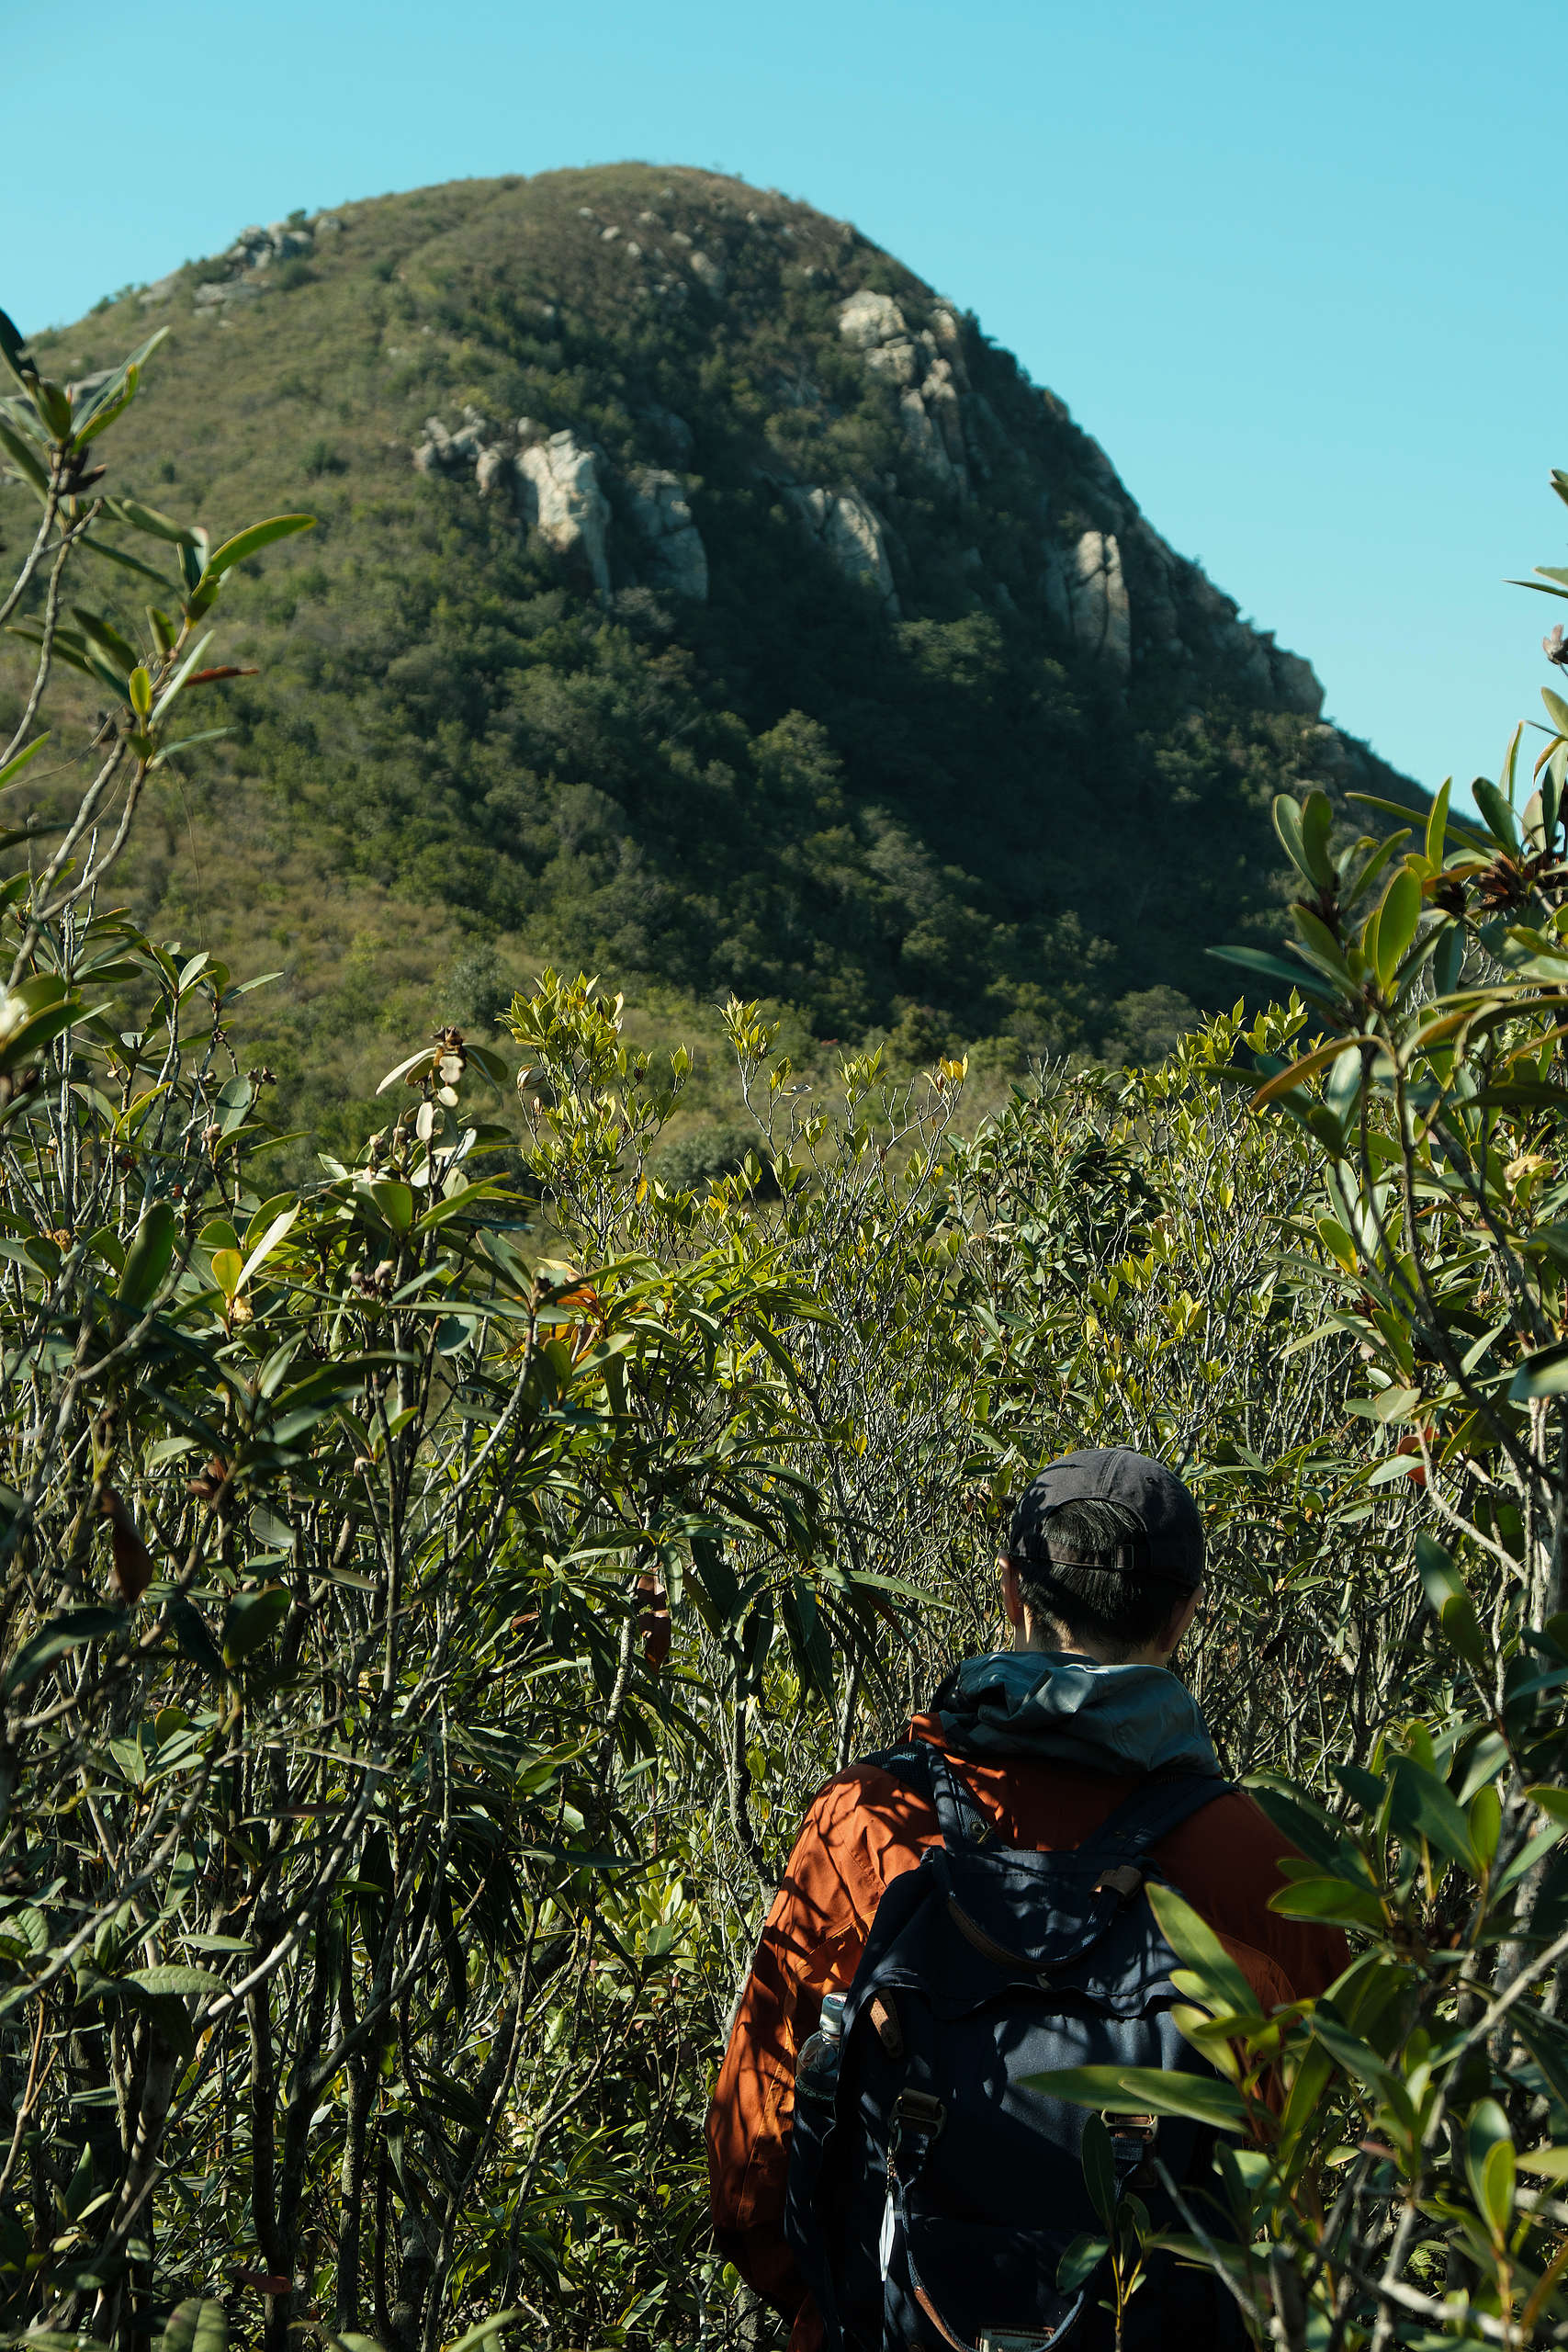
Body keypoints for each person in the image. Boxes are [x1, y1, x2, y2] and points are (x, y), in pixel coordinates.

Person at [705, 1446, 1349, 2350]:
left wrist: (864, 2307)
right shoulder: (1272, 1873)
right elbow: (1320, 2194)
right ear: (1185, 1615)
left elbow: (750, 2178)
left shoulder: (867, 1823)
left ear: (1011, 1589)